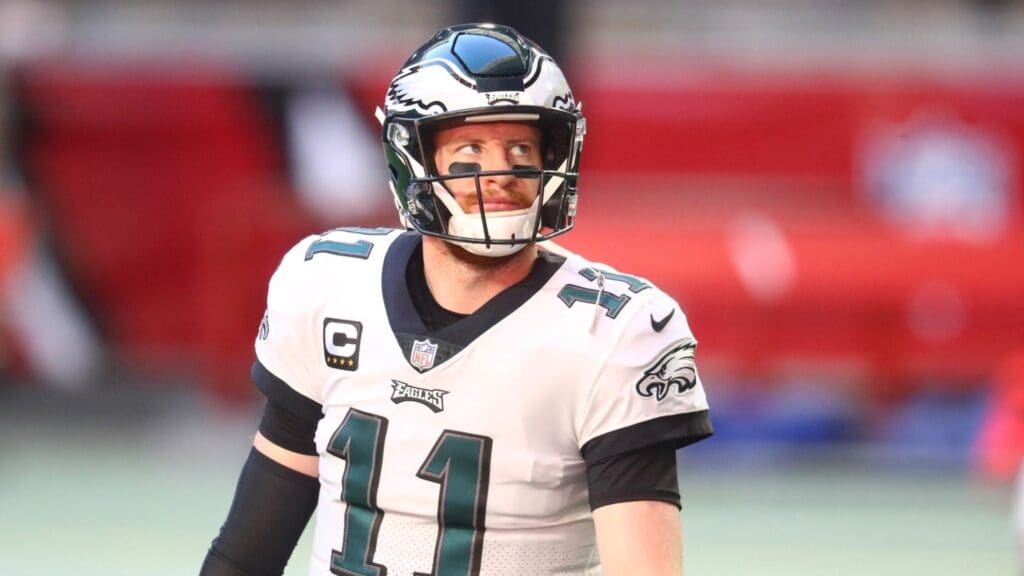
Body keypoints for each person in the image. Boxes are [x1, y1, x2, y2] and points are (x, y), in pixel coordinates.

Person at [200, 23, 712, 576]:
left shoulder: (616, 330)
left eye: (521, 147)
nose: (501, 173)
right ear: (414, 160)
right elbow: (249, 550)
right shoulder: (328, 284)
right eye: (471, 150)